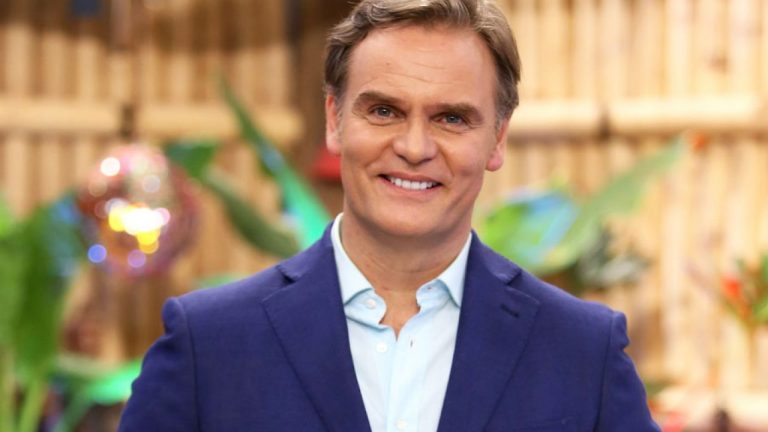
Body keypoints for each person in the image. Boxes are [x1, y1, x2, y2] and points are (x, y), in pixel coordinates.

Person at [119, 0, 660, 430]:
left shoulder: (583, 352)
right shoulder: (208, 344)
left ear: (497, 138)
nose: (414, 147)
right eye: (384, 111)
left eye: (451, 118)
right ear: (334, 121)